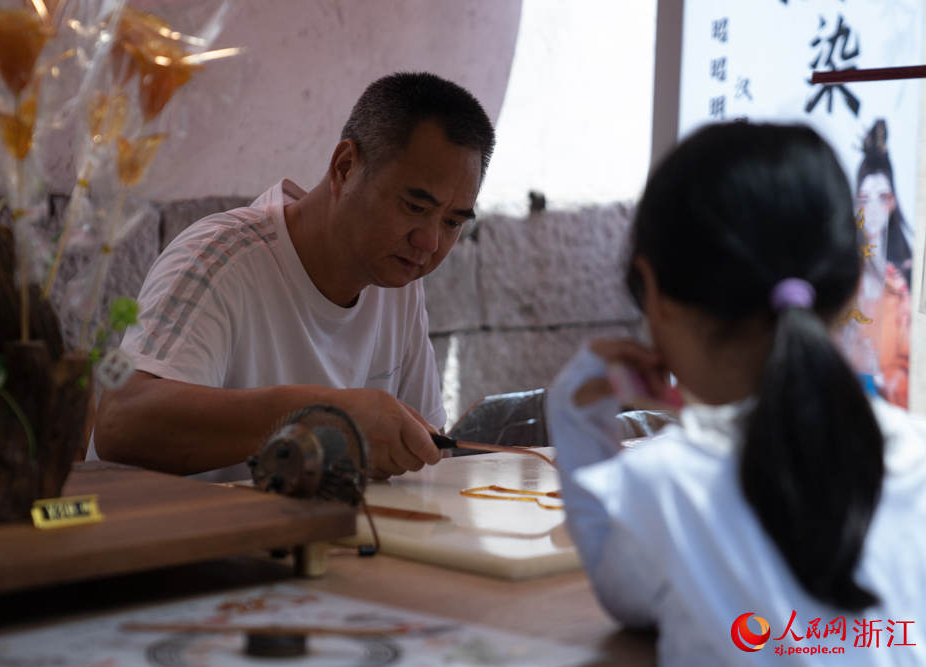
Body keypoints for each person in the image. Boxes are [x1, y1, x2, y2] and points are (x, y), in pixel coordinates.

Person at [547, 123, 926, 665]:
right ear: (845, 293)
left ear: (654, 290)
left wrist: (575, 411)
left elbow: (625, 599)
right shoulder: (919, 456)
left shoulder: (667, 486)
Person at [92, 72, 495, 482]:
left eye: (452, 222)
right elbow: (121, 424)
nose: (429, 241)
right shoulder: (222, 259)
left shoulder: (398, 285)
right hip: (188, 540)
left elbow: (424, 455)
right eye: (413, 207)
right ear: (345, 167)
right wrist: (325, 417)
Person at [841, 119, 912, 406]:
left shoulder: (904, 278)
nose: (872, 209)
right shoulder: (840, 274)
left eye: (881, 197)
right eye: (864, 198)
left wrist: (877, 376)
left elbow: (911, 363)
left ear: (892, 202)